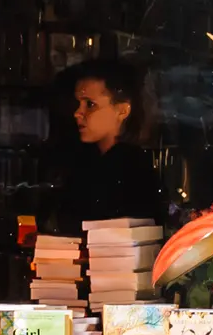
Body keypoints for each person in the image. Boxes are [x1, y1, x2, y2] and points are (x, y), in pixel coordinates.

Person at [49, 54, 167, 233]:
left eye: (90, 104)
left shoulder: (133, 168)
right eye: (77, 103)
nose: (77, 113)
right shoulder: (84, 161)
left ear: (122, 110)